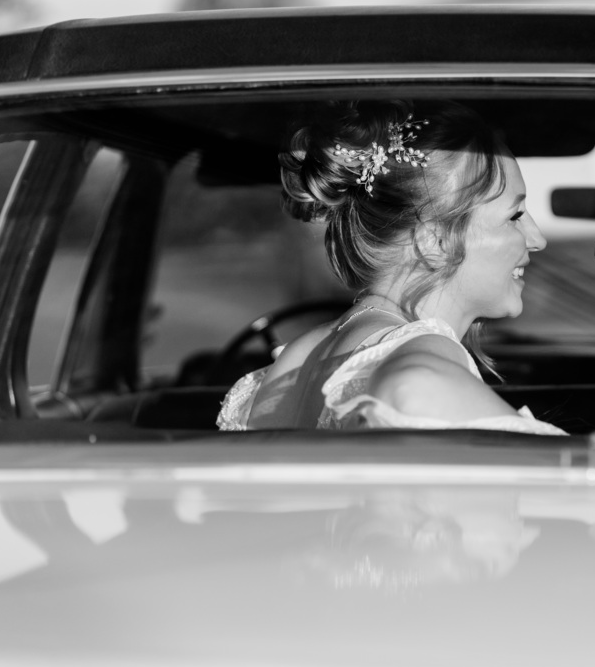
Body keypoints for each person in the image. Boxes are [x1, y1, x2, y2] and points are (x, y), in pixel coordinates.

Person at [218, 100, 564, 435]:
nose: (537, 239)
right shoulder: (419, 349)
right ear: (434, 242)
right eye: (515, 216)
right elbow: (411, 389)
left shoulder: (301, 353)